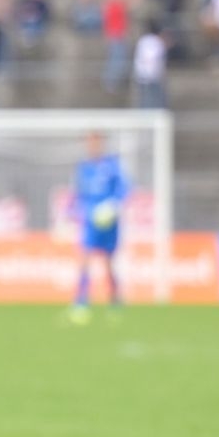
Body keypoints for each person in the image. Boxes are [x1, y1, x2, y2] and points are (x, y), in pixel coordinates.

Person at [68, 132, 128, 324]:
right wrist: (72, 211)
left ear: (101, 144)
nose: (92, 146)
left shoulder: (112, 166)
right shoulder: (83, 168)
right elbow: (77, 194)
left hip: (109, 222)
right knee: (85, 258)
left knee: (108, 263)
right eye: (90, 143)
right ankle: (81, 302)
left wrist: (113, 206)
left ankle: (114, 300)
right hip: (89, 221)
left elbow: (124, 189)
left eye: (95, 142)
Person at [133, 25, 168, 109]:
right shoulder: (157, 42)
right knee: (153, 99)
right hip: (152, 76)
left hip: (141, 74)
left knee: (145, 98)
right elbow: (153, 58)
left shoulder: (142, 40)